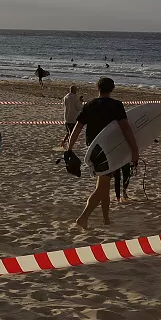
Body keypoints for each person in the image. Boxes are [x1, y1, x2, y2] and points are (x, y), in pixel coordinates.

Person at [65, 77, 138, 229]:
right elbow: (126, 128)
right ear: (112, 89)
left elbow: (77, 128)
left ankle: (106, 219)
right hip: (108, 151)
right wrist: (134, 149)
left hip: (93, 150)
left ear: (97, 88)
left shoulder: (89, 105)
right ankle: (83, 218)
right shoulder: (117, 105)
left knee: (104, 185)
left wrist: (69, 148)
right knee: (102, 187)